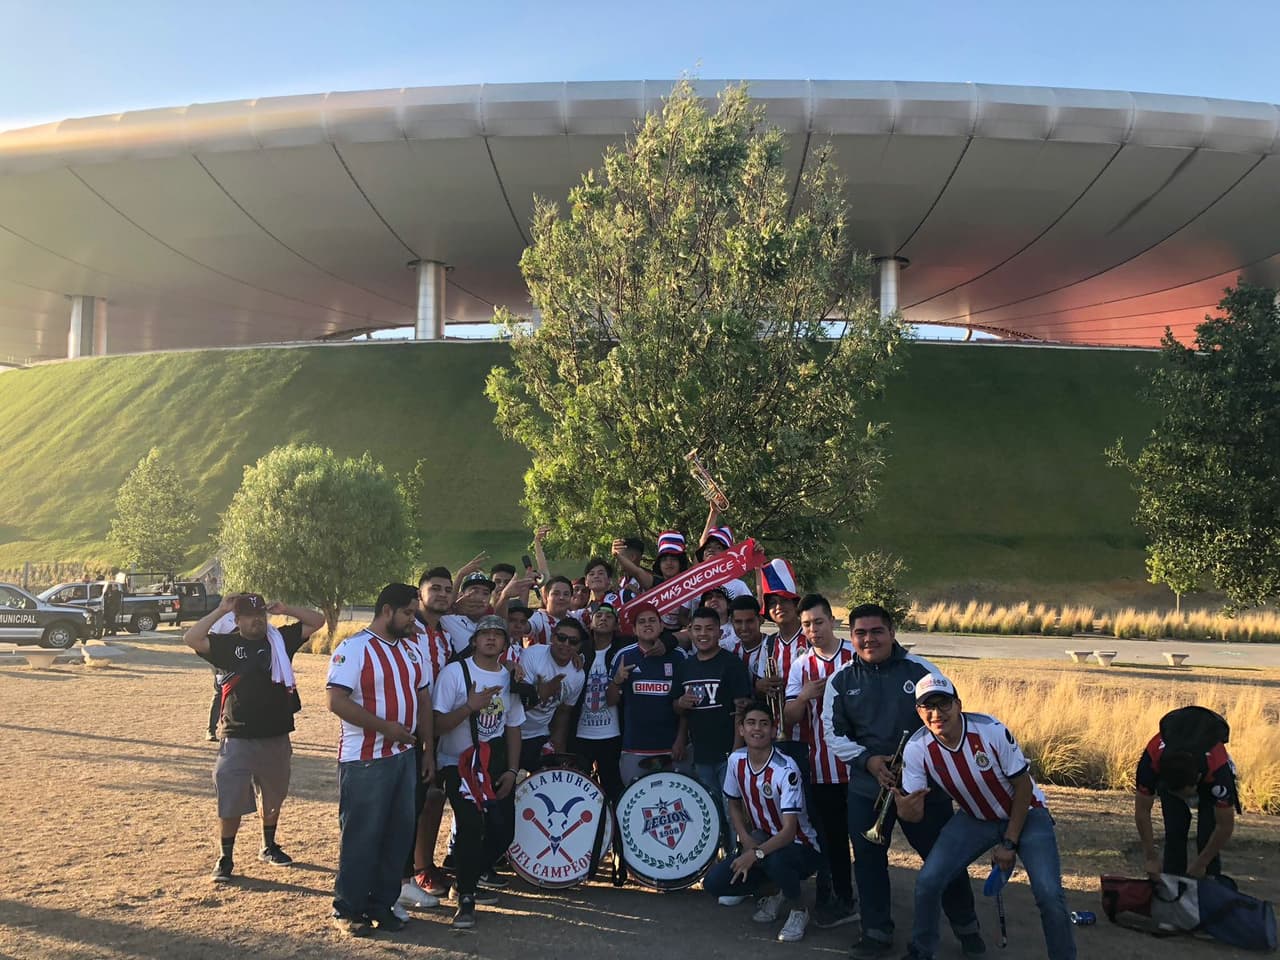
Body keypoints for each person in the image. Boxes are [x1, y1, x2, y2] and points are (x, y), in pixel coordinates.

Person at [822, 602, 981, 958]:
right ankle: (876, 933)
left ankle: (968, 929)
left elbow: (949, 721)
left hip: (923, 788)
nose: (868, 639)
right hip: (868, 788)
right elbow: (833, 733)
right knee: (868, 863)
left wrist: (912, 764)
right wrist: (869, 761)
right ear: (851, 636)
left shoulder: (922, 671)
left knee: (943, 860)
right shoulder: (840, 679)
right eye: (860, 633)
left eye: (877, 631)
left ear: (892, 633)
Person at [896, 674, 1075, 960]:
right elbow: (912, 808)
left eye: (943, 704)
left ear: (958, 705)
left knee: (1049, 894)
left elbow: (1023, 785)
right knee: (929, 881)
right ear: (918, 712)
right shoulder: (917, 748)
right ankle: (921, 950)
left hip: (1027, 813)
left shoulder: (990, 730)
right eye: (927, 707)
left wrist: (1009, 843)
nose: (936, 713)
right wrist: (905, 809)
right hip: (975, 817)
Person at [185, 592, 324, 883]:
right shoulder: (227, 645)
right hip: (237, 735)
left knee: (273, 796)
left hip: (276, 733)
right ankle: (225, 857)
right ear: (237, 620)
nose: (257, 619)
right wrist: (219, 610)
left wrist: (287, 607)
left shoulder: (280, 639)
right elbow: (193, 638)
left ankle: (268, 845)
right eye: (249, 615)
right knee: (231, 798)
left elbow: (317, 620)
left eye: (261, 613)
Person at [326, 584, 435, 936]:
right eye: (407, 613)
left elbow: (423, 700)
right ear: (387, 611)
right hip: (366, 760)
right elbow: (336, 701)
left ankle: (383, 903)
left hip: (405, 756)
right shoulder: (354, 648)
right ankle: (348, 908)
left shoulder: (413, 650)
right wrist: (385, 728)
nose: (411, 620)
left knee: (398, 835)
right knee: (362, 835)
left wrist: (428, 749)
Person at [703, 701, 825, 943]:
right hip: (762, 839)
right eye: (750, 723)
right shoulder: (735, 761)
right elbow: (733, 803)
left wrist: (755, 854)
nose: (756, 729)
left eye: (763, 724)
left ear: (773, 730)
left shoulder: (785, 769)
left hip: (802, 847)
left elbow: (790, 831)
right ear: (741, 729)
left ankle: (799, 909)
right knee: (715, 883)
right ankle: (777, 891)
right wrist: (746, 840)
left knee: (777, 861)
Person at [433, 614, 526, 928]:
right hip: (456, 763)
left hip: (493, 765)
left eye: (497, 635)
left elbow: (513, 727)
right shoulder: (454, 674)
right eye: (484, 634)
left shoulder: (508, 678)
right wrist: (469, 707)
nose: (490, 639)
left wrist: (512, 770)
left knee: (503, 830)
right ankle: (467, 899)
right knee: (471, 825)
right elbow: (437, 725)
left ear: (505, 643)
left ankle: (467, 875)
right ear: (473, 641)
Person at [783, 594, 858, 930]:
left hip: (861, 765)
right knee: (832, 837)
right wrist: (803, 696)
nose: (813, 630)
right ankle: (838, 897)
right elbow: (787, 720)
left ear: (832, 620)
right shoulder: (801, 666)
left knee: (867, 838)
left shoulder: (855, 656)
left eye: (818, 622)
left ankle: (870, 899)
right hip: (823, 767)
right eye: (807, 625)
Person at [673, 605, 754, 861]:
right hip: (700, 752)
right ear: (690, 631)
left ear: (720, 632)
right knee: (707, 809)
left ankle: (737, 861)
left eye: (709, 629)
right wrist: (679, 708)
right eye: (697, 629)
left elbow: (742, 709)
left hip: (727, 752)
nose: (703, 634)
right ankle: (715, 861)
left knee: (734, 812)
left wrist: (737, 750)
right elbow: (678, 707)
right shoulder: (686, 667)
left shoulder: (731, 664)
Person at [401, 567, 456, 904]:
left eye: (447, 590)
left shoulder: (446, 633)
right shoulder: (407, 630)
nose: (442, 594)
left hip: (439, 726)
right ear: (420, 593)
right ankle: (404, 874)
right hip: (408, 728)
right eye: (434, 588)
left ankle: (423, 864)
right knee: (409, 802)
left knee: (432, 797)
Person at [1134, 706, 1238, 878]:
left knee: (1207, 832)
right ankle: (1172, 885)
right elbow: (1142, 811)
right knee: (1175, 829)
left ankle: (1210, 884)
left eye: (1186, 794)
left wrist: (1201, 863)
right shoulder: (1151, 761)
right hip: (1172, 774)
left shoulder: (1218, 770)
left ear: (1197, 779)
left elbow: (1225, 826)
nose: (1185, 799)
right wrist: (1150, 857)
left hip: (1208, 776)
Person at [607, 601, 689, 785]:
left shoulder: (679, 656)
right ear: (634, 630)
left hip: (673, 746)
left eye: (652, 620)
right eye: (642, 622)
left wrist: (682, 739)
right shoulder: (624, 656)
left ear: (661, 626)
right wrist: (616, 681)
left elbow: (685, 704)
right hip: (635, 746)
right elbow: (610, 701)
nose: (647, 624)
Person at [570, 602, 629, 802]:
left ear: (616, 625)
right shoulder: (579, 650)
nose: (603, 619)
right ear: (591, 624)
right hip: (580, 735)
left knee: (613, 789)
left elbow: (662, 638)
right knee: (579, 791)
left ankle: (614, 832)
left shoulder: (624, 649)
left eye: (609, 616)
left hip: (613, 735)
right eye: (598, 616)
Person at [517, 615, 586, 770]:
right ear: (552, 637)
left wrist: (558, 752)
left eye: (573, 641)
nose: (566, 644)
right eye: (562, 638)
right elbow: (517, 702)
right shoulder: (532, 655)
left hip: (539, 734)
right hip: (512, 730)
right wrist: (541, 693)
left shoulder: (578, 674)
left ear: (579, 646)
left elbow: (563, 713)